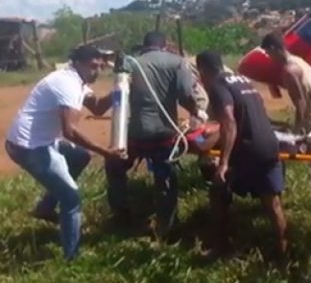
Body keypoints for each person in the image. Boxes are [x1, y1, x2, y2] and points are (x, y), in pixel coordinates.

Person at [4, 44, 124, 260]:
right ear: (77, 63)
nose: (96, 71)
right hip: (29, 147)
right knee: (71, 199)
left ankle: (46, 208)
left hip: (42, 142)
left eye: (99, 67)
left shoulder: (78, 81)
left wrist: (118, 91)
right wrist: (105, 152)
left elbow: (97, 107)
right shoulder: (66, 84)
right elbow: (70, 131)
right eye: (92, 66)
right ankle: (72, 257)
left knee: (81, 156)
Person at [104, 31, 204, 237]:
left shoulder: (132, 63)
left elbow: (119, 97)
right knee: (166, 178)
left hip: (134, 134)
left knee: (115, 166)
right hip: (163, 134)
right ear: (165, 45)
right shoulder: (177, 62)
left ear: (144, 45)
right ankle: (166, 225)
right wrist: (197, 112)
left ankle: (121, 214)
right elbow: (185, 95)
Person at [195, 50, 288, 260]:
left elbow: (229, 122)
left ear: (203, 71)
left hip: (248, 149)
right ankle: (284, 253)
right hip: (270, 145)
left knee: (218, 192)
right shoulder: (243, 80)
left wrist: (224, 163)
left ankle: (220, 247)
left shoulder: (218, 85)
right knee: (272, 203)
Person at [260, 31, 311, 213]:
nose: (269, 58)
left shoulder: (288, 70)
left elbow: (300, 103)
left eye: (268, 54)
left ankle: (275, 199)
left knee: (277, 152)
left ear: (273, 49)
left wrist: (296, 131)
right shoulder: (300, 62)